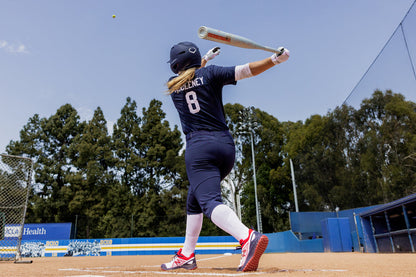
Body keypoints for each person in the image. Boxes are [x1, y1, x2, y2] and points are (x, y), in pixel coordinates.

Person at [161, 41, 290, 272]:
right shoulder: (211, 73)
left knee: (209, 202)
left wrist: (205, 61)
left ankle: (247, 237)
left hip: (199, 149)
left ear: (175, 65)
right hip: (225, 147)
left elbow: (191, 77)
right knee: (195, 199)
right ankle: (186, 255)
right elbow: (246, 69)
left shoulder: (173, 85)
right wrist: (274, 60)